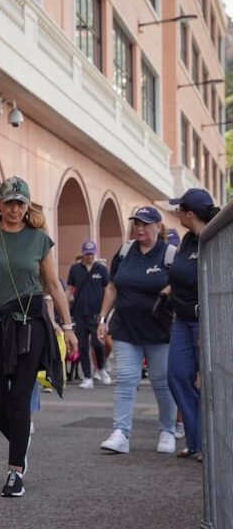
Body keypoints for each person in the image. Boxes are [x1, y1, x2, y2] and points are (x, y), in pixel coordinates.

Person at [0, 177, 76, 497]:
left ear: (27, 206)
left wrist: (69, 327)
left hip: (29, 323)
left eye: (20, 203)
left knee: (20, 395)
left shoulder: (39, 239)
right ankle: (21, 440)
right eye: (9, 202)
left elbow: (53, 286)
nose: (14, 209)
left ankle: (15, 470)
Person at [97, 206, 178, 455]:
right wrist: (103, 318)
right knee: (125, 380)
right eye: (137, 224)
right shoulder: (123, 252)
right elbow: (112, 287)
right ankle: (121, 433)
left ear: (157, 226)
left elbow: (182, 283)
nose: (140, 228)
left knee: (161, 381)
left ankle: (167, 430)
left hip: (159, 328)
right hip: (125, 327)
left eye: (145, 224)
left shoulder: (170, 254)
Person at [165, 189, 220, 460]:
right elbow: (180, 274)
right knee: (176, 376)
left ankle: (210, 445)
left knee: (210, 383)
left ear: (190, 214)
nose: (176, 213)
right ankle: (196, 440)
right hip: (182, 320)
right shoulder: (187, 240)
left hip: (205, 320)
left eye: (179, 209)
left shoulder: (216, 239)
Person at [66, 241, 110, 388]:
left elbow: (109, 289)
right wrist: (65, 306)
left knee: (98, 344)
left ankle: (101, 368)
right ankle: (87, 377)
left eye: (92, 254)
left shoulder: (101, 269)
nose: (90, 256)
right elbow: (69, 289)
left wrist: (106, 312)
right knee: (83, 346)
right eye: (87, 254)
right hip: (80, 312)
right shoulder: (75, 269)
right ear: (83, 253)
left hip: (97, 313)